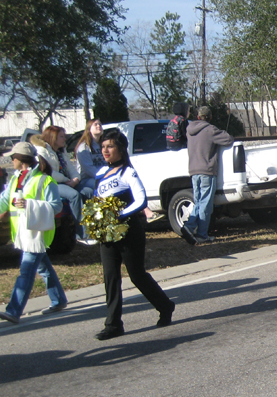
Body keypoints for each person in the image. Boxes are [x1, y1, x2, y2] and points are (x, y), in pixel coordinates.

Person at [93, 129, 175, 340]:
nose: (105, 150)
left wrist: (119, 215)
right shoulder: (100, 174)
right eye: (103, 146)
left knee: (137, 275)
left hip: (129, 231)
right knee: (110, 278)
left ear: (121, 149)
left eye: (110, 146)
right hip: (108, 234)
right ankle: (113, 324)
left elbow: (140, 201)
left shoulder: (127, 172)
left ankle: (165, 306)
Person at [0, 142, 68, 323]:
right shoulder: (16, 179)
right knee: (43, 268)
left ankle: (14, 310)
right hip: (24, 235)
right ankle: (59, 299)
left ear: (20, 159)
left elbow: (57, 206)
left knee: (26, 272)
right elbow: (2, 203)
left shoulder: (45, 180)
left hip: (36, 235)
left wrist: (29, 205)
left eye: (12, 157)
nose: (11, 160)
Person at [180, 106, 235, 244]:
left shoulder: (189, 131)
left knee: (199, 202)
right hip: (207, 171)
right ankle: (196, 230)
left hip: (193, 171)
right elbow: (228, 139)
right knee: (205, 203)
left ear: (198, 116)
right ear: (209, 117)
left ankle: (196, 231)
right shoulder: (210, 130)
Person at [41, 125, 91, 229]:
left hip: (67, 182)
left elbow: (71, 169)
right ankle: (82, 233)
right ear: (52, 137)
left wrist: (75, 179)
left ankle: (93, 226)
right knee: (74, 195)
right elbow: (47, 172)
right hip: (52, 183)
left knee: (88, 191)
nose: (65, 139)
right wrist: (66, 180)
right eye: (61, 136)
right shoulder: (42, 151)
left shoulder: (61, 152)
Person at [75, 118, 106, 192]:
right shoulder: (84, 147)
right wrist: (104, 177)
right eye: (95, 124)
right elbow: (89, 169)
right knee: (104, 185)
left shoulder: (103, 145)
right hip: (87, 179)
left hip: (104, 176)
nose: (98, 126)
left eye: (100, 124)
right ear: (89, 129)